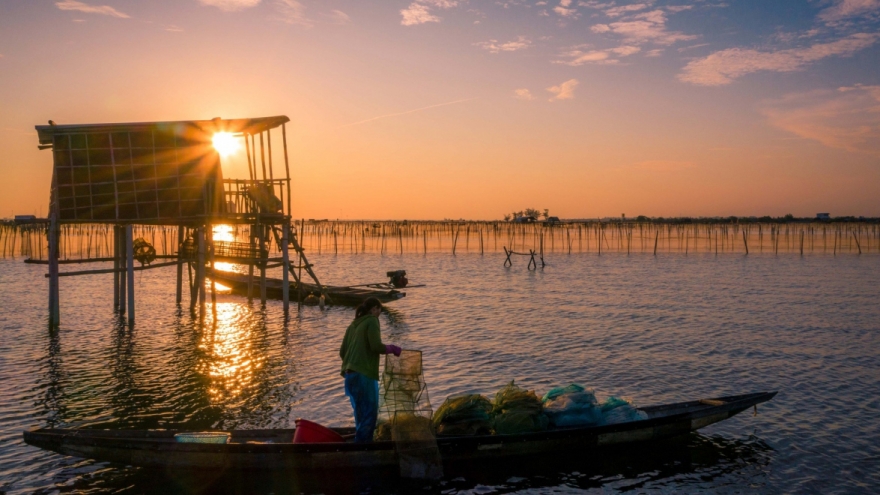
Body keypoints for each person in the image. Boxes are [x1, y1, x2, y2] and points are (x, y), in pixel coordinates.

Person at [339, 297, 402, 443]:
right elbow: (376, 346)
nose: (379, 313)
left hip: (350, 376)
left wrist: (354, 363)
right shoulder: (372, 320)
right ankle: (363, 448)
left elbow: (342, 352)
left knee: (360, 413)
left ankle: (359, 443)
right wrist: (391, 348)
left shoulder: (353, 325)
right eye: (379, 310)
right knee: (370, 413)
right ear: (374, 309)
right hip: (364, 375)